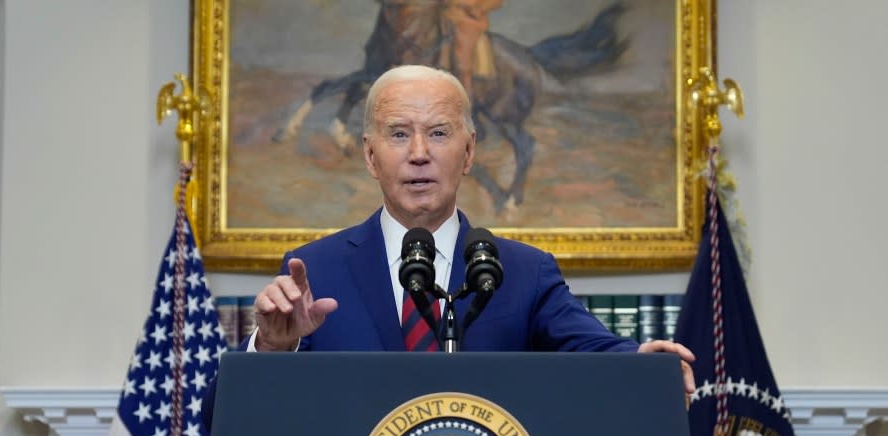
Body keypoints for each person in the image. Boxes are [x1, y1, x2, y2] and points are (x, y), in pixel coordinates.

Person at [243, 64, 695, 392]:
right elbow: (228, 416)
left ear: (469, 151)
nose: (419, 153)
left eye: (439, 133)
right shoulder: (316, 269)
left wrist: (644, 364)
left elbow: (592, 348)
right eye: (399, 134)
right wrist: (270, 348)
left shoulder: (522, 271)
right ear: (369, 155)